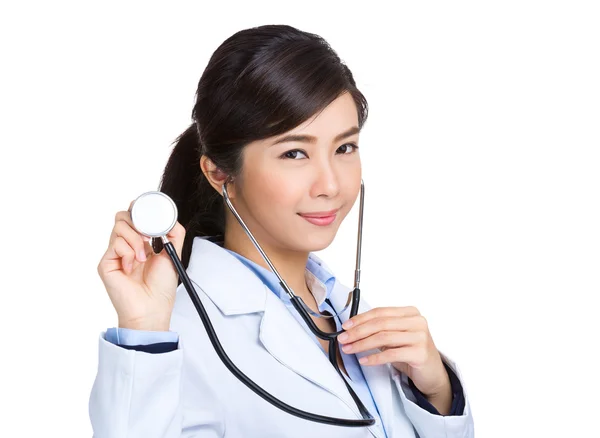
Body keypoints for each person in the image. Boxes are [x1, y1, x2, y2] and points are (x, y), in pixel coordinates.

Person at [90, 24, 475, 438]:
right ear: (220, 173)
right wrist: (144, 332)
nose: (330, 184)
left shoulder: (339, 306)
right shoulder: (177, 333)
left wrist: (436, 393)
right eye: (295, 153)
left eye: (344, 148)